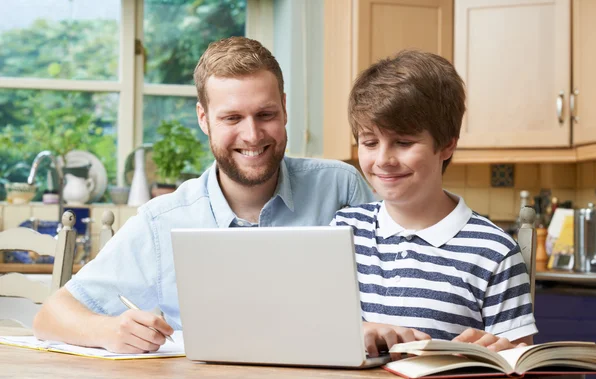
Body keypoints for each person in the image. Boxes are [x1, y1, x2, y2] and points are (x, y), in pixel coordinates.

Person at [33, 37, 374, 353]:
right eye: (232, 118)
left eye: (266, 114)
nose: (252, 135)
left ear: (284, 109)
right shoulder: (162, 220)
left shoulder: (341, 187)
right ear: (204, 118)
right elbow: (50, 316)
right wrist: (109, 331)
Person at [332, 50, 537, 357]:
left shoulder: (493, 252)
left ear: (446, 144)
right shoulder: (344, 229)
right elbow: (313, 330)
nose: (383, 160)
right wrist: (353, 331)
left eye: (403, 142)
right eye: (369, 142)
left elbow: (521, 365)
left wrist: (500, 354)